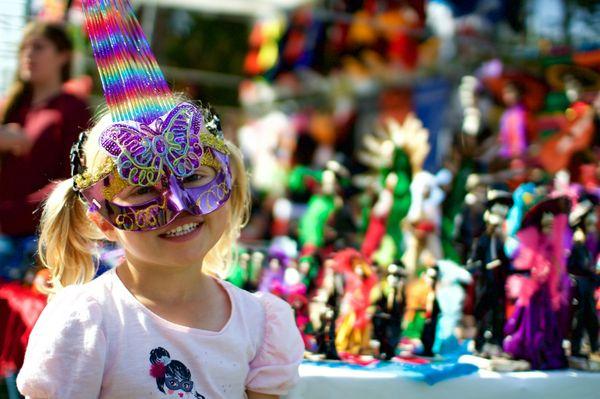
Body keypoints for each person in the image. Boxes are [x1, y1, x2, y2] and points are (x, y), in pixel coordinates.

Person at [16, 0, 304, 397]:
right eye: (142, 188)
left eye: (192, 175)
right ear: (102, 219)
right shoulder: (86, 323)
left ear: (228, 180)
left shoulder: (261, 323)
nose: (179, 204)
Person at [0, 21, 90, 280]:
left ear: (63, 56)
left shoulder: (71, 108)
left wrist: (10, 215)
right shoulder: (13, 106)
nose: (28, 54)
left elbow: (76, 180)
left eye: (38, 47)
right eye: (24, 48)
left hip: (33, 237)